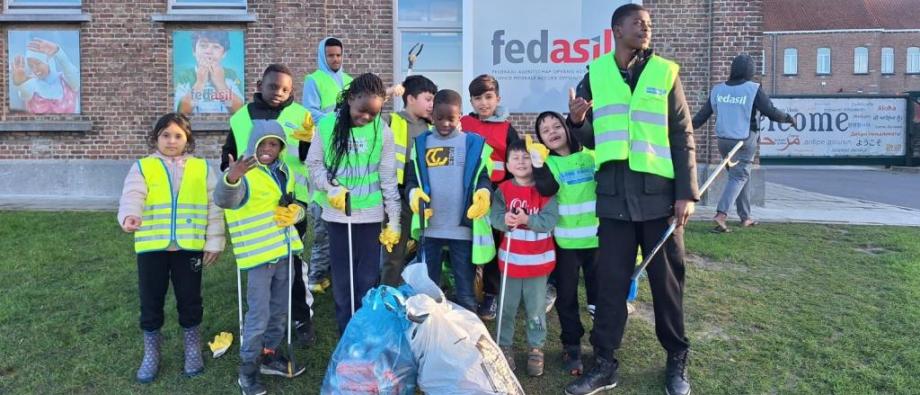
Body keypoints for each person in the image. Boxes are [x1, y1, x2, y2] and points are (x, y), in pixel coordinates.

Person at [564, 4, 699, 395]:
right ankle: (604, 364)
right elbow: (591, 137)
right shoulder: (596, 73)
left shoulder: (665, 72)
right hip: (613, 200)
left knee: (667, 284)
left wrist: (686, 193)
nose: (645, 29)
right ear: (616, 29)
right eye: (637, 23)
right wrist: (576, 121)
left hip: (659, 200)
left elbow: (681, 135)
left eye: (649, 25)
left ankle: (676, 359)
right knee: (609, 286)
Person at [117, 113, 225, 383]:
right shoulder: (143, 167)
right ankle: (151, 354)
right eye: (165, 135)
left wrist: (213, 241)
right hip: (152, 247)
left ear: (187, 139)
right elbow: (133, 194)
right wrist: (130, 215)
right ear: (156, 138)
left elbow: (214, 206)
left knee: (190, 299)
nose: (172, 140)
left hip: (189, 249)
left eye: (178, 135)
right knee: (150, 300)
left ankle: (192, 350)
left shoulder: (202, 168)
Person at [222, 63, 317, 346]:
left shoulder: (302, 115)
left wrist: (309, 141)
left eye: (286, 89)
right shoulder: (240, 118)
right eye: (273, 86)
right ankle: (266, 318)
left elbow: (309, 158)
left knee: (294, 263)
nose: (279, 92)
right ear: (260, 86)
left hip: (292, 201)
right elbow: (227, 156)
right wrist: (231, 179)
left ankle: (301, 317)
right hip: (254, 204)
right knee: (262, 265)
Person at [216, 120, 309, 395]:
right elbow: (225, 200)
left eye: (274, 144)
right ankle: (248, 371)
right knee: (259, 314)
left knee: (280, 310)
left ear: (281, 147)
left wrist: (297, 213)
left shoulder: (285, 171)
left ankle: (269, 355)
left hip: (283, 252)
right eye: (263, 144)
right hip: (258, 256)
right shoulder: (244, 172)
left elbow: (295, 204)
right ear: (253, 145)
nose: (268, 149)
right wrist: (232, 178)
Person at [306, 73, 401, 334]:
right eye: (362, 111)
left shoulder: (383, 131)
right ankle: (346, 330)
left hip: (370, 216)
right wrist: (330, 187)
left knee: (367, 277)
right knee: (343, 277)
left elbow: (388, 178)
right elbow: (313, 164)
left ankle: (365, 327)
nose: (367, 118)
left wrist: (393, 220)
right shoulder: (326, 125)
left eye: (373, 113)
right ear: (350, 100)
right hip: (337, 216)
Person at [403, 89, 494, 311]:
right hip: (430, 227)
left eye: (451, 119)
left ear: (460, 116)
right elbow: (411, 180)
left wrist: (484, 192)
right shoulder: (421, 143)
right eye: (439, 118)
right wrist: (413, 194)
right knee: (428, 286)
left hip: (461, 228)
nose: (444, 123)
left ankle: (468, 331)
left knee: (464, 285)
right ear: (432, 115)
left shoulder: (473, 144)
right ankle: (430, 330)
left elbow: (483, 177)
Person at [693, 53, 796, 232]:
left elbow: (702, 115)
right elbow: (770, 111)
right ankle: (721, 215)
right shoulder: (753, 89)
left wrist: (686, 127)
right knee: (739, 176)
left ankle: (745, 216)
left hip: (723, 141)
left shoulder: (718, 90)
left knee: (740, 177)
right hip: (744, 141)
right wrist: (787, 118)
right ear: (750, 71)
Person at [533, 111, 600, 376]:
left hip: (597, 241)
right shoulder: (549, 164)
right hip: (565, 244)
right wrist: (538, 164)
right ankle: (571, 345)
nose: (551, 131)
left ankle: (601, 345)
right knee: (567, 298)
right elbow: (547, 190)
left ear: (568, 127)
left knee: (599, 297)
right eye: (544, 130)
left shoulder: (591, 156)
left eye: (556, 125)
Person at [490, 139, 559, 378]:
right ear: (507, 165)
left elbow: (549, 220)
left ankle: (536, 347)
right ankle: (504, 344)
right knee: (506, 308)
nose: (520, 162)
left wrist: (526, 220)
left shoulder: (545, 190)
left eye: (526, 157)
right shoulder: (504, 190)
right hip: (510, 262)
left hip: (538, 265)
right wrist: (505, 220)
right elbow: (495, 216)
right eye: (515, 158)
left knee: (536, 310)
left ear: (536, 161)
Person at [380, 75, 438, 286]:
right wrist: (386, 93)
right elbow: (367, 111)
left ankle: (422, 291)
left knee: (426, 247)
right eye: (428, 99)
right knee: (394, 249)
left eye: (434, 100)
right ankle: (388, 291)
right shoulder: (391, 121)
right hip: (397, 195)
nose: (432, 105)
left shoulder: (432, 128)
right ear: (410, 98)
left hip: (424, 195)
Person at [175, 30, 244, 114]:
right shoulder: (184, 76)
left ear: (224, 53)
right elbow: (180, 112)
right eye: (203, 46)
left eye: (216, 47)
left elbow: (241, 112)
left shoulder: (231, 75)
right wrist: (200, 83)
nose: (209, 51)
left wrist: (221, 84)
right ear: (194, 51)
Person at [11, 37, 80, 114]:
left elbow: (75, 81)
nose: (34, 69)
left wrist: (58, 52)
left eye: (38, 63)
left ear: (48, 61)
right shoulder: (32, 83)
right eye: (31, 66)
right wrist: (20, 81)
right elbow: (25, 94)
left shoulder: (65, 80)